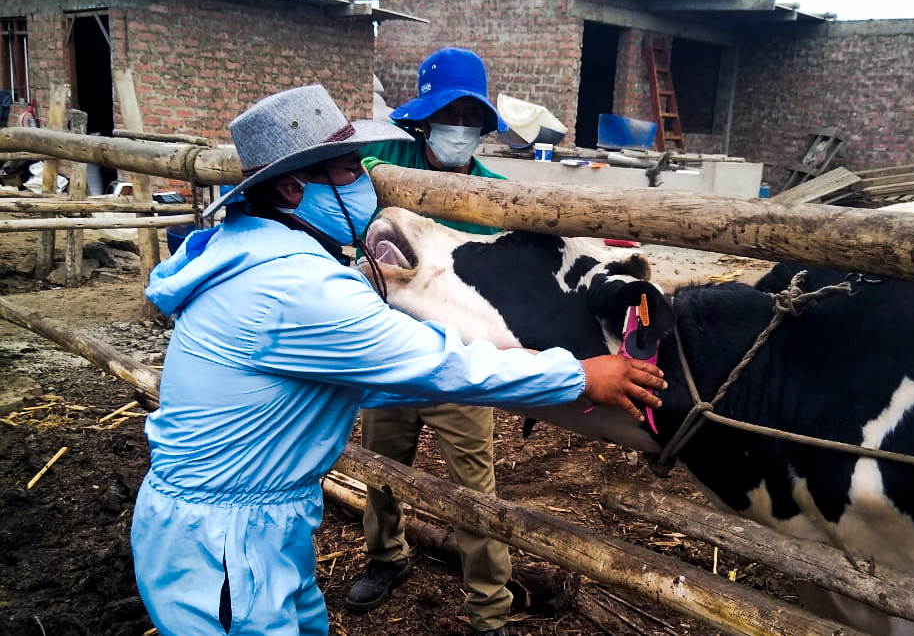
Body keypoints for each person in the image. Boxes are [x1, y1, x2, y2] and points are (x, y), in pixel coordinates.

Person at [130, 83, 666, 636]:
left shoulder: (246, 252)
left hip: (254, 523)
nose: (367, 183)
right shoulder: (300, 289)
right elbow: (438, 364)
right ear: (293, 189)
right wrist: (576, 375)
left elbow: (372, 378)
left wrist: (519, 364)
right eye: (349, 171)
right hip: (223, 543)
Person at [346, 48, 519, 636]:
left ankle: (489, 605)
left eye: (471, 117)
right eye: (450, 114)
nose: (460, 128)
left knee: (476, 489)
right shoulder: (387, 165)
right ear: (424, 119)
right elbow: (351, 168)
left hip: (460, 359)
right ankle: (386, 557)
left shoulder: (497, 196)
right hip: (390, 349)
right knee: (381, 467)